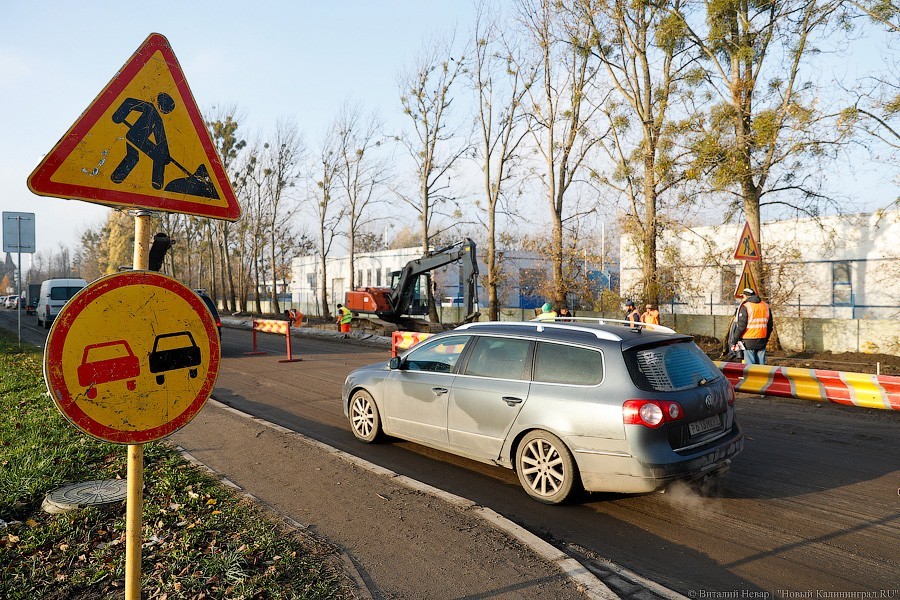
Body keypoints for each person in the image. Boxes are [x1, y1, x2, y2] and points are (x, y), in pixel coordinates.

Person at [734, 288, 773, 365]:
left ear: (745, 296)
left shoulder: (746, 306)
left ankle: (751, 377)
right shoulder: (765, 306)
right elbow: (770, 325)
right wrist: (766, 338)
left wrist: (735, 339)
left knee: (750, 367)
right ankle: (762, 377)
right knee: (762, 366)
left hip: (748, 340)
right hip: (762, 339)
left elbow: (741, 326)